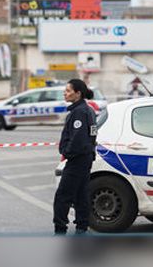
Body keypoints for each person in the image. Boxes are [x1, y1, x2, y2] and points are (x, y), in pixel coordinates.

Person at [53, 79, 97, 235]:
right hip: (85, 158)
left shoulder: (79, 112)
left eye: (68, 90)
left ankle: (60, 229)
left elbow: (78, 139)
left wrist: (67, 152)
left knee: (62, 196)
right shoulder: (88, 109)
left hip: (77, 159)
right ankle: (81, 228)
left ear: (78, 94)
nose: (65, 93)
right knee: (80, 194)